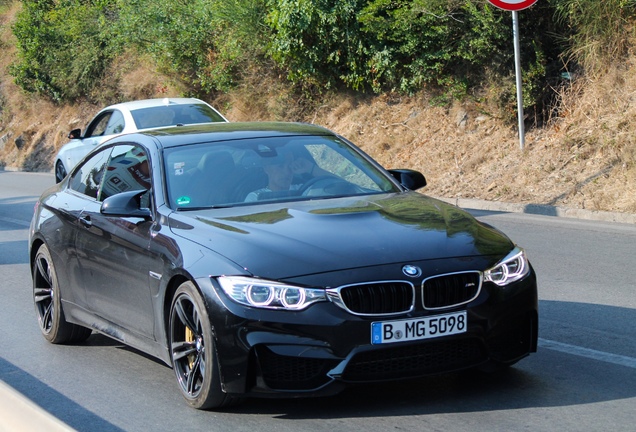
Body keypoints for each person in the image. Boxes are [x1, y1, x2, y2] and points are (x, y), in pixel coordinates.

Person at [244, 148, 328, 202]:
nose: (287, 171)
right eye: (280, 166)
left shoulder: (304, 190)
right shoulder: (256, 198)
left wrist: (311, 168)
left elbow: (338, 186)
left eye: (289, 166)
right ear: (266, 169)